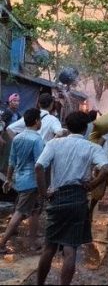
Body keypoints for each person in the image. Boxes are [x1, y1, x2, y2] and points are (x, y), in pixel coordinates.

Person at [35, 111, 108, 285]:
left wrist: (43, 193)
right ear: (85, 128)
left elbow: (39, 167)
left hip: (57, 197)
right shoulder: (92, 147)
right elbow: (106, 169)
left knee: (49, 247)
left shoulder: (54, 144)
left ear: (67, 127)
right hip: (78, 199)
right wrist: (92, 184)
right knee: (70, 249)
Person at [0, 108, 44, 254]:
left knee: (34, 211)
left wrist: (8, 179)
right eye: (40, 120)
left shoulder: (18, 138)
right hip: (31, 181)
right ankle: (2, 243)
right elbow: (39, 165)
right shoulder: (37, 139)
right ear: (36, 121)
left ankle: (33, 243)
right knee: (20, 212)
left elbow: (11, 161)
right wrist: (43, 186)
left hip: (20, 179)